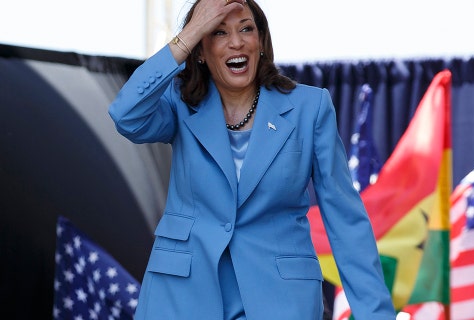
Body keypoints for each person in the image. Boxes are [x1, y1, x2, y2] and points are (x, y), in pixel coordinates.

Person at [108, 0, 396, 319]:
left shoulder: (310, 107)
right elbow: (126, 115)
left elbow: (345, 220)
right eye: (218, 31)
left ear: (261, 42)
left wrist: (376, 315)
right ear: (200, 51)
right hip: (182, 296)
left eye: (246, 28)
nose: (236, 41)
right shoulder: (179, 104)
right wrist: (188, 35)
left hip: (279, 299)